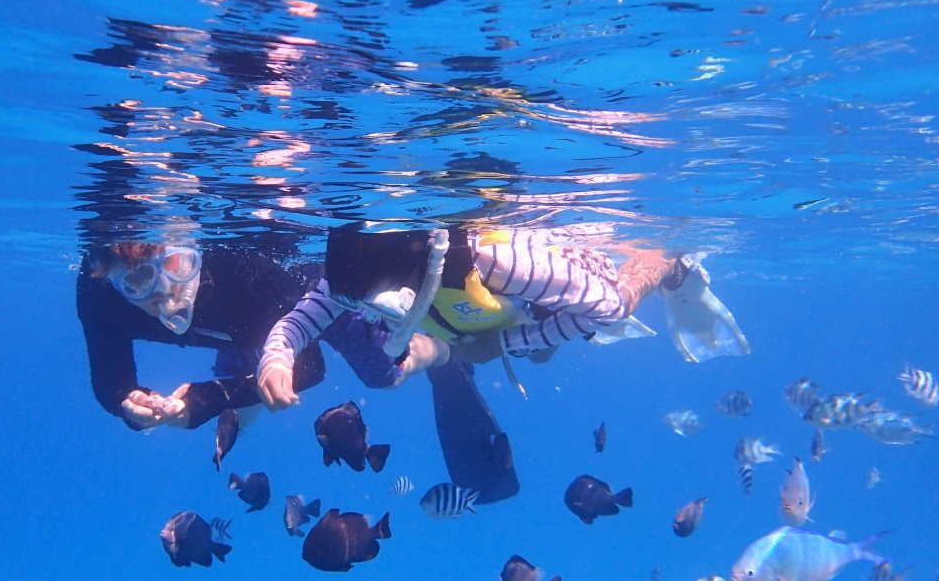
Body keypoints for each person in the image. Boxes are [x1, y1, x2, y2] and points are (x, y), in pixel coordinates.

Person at [256, 222, 750, 410]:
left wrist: (507, 344)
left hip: (562, 287)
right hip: (474, 315)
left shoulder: (498, 263)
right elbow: (304, 320)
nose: (371, 318)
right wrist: (276, 359)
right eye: (358, 306)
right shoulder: (361, 270)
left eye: (379, 305)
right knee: (523, 351)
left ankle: (663, 262)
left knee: (582, 327)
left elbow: (604, 309)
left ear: (414, 276)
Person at [76, 240, 443, 432]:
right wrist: (128, 403)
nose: (165, 293)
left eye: (174, 265)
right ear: (115, 283)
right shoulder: (102, 295)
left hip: (313, 303)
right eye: (137, 283)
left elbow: (310, 367)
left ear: (189, 247)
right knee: (237, 415)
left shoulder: (241, 270)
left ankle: (445, 349)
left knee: (383, 374)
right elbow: (111, 382)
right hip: (246, 330)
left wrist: (211, 397)